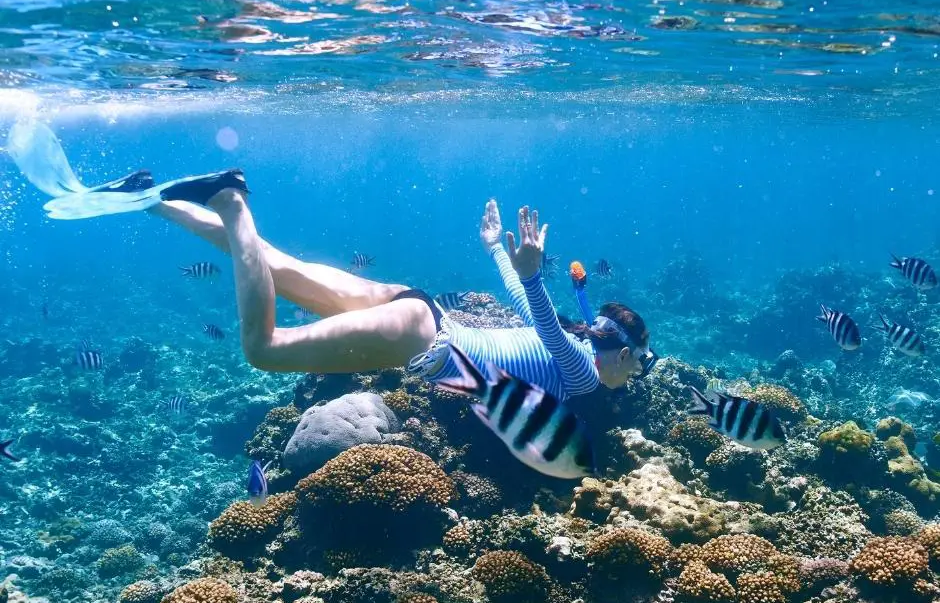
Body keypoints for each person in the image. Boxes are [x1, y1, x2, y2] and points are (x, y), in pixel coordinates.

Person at [9, 122, 653, 399]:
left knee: (275, 265)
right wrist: (534, 273)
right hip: (418, 337)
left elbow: (524, 307)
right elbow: (540, 322)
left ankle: (145, 200)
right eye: (641, 362)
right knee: (262, 349)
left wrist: (497, 252)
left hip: (419, 306)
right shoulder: (585, 376)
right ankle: (230, 201)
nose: (640, 373)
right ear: (618, 352)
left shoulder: (574, 344)